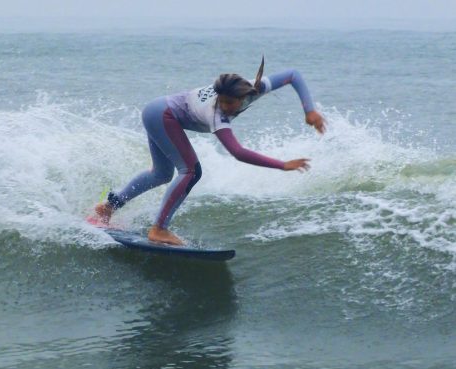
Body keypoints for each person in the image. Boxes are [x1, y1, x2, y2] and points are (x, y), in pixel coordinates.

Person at [91, 57, 325, 245]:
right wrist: (282, 165)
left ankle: (107, 208)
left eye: (229, 102)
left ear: (244, 95)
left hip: (156, 110)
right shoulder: (216, 114)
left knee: (161, 174)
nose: (224, 106)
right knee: (191, 171)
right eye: (221, 100)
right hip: (163, 115)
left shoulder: (256, 88)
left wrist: (310, 110)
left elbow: (293, 75)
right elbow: (238, 152)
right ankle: (159, 229)